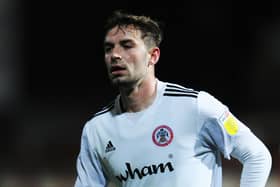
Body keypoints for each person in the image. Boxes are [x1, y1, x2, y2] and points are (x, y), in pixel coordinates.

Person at [74, 10, 272, 187]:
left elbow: (257, 156)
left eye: (127, 45)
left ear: (153, 56)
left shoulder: (196, 106)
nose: (115, 55)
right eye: (109, 48)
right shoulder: (96, 130)